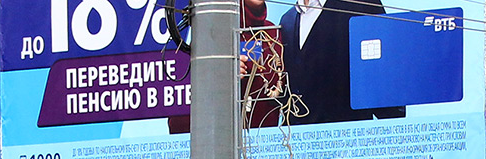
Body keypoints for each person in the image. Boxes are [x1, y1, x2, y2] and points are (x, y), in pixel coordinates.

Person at [278, 0, 405, 125]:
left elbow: (385, 71)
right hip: (298, 139)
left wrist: (396, 128)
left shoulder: (362, 4)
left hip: (348, 136)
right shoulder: (287, 20)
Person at [169, 0, 282, 133]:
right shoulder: (203, 32)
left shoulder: (272, 33)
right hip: (217, 144)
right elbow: (177, 117)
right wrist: (219, 76)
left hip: (265, 145)